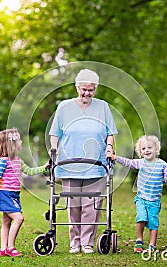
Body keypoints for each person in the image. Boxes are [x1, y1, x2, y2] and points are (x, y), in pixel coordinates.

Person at [49, 69, 118, 254]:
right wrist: (53, 150)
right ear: (76, 87)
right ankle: (75, 242)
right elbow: (55, 133)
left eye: (91, 90)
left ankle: (87, 242)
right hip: (69, 163)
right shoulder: (64, 107)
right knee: (73, 205)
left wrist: (110, 147)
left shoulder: (103, 106)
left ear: (95, 89)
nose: (87, 93)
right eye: (84, 89)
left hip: (96, 164)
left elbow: (110, 132)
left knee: (91, 205)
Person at [107, 135, 167, 253]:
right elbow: (128, 162)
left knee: (153, 223)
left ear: (156, 149)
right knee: (141, 218)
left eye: (149, 147)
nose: (147, 150)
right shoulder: (140, 163)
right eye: (143, 149)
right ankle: (139, 239)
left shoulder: (162, 164)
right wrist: (114, 157)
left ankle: (152, 245)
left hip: (154, 201)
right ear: (140, 152)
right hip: (141, 198)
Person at [0, 128, 48, 257]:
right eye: (19, 140)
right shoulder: (3, 161)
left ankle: (3, 249)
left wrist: (44, 167)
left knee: (6, 221)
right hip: (5, 194)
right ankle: (10, 247)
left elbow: (30, 171)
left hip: (14, 195)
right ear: (12, 144)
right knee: (19, 218)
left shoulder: (17, 160)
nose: (21, 142)